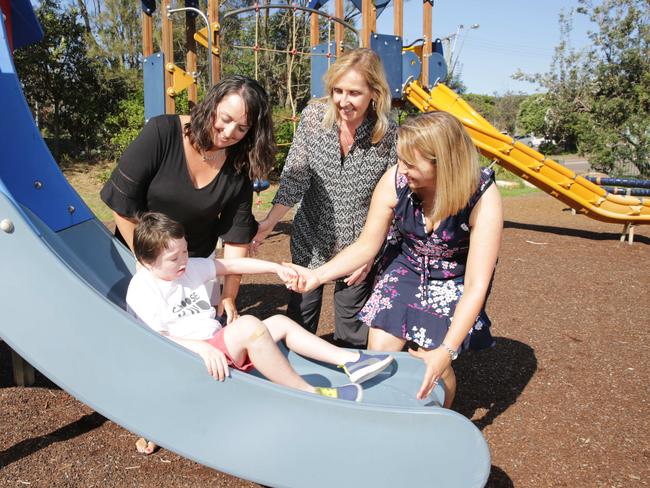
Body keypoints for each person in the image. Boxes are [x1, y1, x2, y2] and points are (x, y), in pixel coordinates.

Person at [127, 212, 394, 453]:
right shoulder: (143, 288)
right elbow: (151, 340)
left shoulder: (189, 268)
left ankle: (351, 362)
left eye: (185, 252)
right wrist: (201, 348)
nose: (184, 260)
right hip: (193, 357)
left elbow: (231, 267)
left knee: (279, 322)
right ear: (147, 261)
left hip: (216, 345)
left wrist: (275, 268)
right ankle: (309, 394)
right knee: (249, 326)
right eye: (174, 258)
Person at [286, 112, 503, 408]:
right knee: (380, 349)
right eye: (400, 159)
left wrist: (446, 351)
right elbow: (366, 245)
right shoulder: (396, 180)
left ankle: (444, 416)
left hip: (455, 276)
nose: (401, 169)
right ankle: (386, 410)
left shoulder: (481, 195)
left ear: (443, 162)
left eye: (411, 164)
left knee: (432, 359)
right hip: (409, 264)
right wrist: (317, 276)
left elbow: (477, 284)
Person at [251, 48, 398, 348]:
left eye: (354, 93)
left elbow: (395, 200)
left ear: (375, 93)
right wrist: (269, 222)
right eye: (337, 90)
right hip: (311, 236)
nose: (343, 101)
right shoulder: (314, 118)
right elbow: (296, 175)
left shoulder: (388, 134)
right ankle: (291, 381)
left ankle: (351, 387)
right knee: (299, 320)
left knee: (352, 330)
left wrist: (370, 253)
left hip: (358, 246)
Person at [101, 75, 275, 324]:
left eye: (242, 128)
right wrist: (147, 261)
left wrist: (229, 295)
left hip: (193, 267)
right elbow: (122, 203)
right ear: (212, 105)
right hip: (139, 257)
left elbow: (236, 238)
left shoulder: (239, 164)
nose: (228, 133)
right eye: (225, 119)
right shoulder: (161, 133)